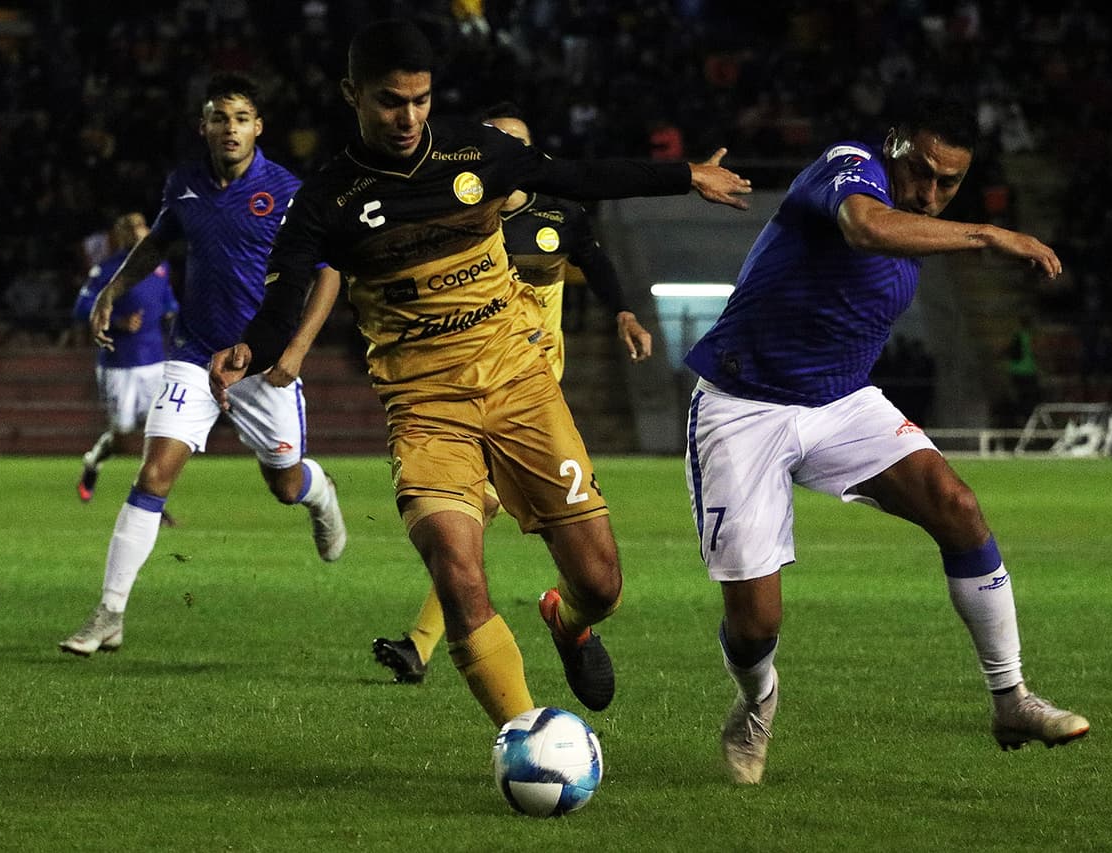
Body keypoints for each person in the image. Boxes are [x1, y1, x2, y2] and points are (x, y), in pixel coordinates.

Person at [210, 19, 751, 727]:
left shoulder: (476, 152)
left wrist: (686, 176)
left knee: (602, 582)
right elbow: (284, 293)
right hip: (425, 404)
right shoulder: (328, 199)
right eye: (388, 102)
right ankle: (525, 736)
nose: (407, 118)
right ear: (353, 95)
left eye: (420, 100)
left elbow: (577, 174)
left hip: (520, 383)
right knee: (459, 573)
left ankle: (566, 618)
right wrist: (250, 347)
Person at [682, 96, 1089, 785]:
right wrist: (990, 235)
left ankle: (1011, 697)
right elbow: (865, 228)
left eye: (949, 183)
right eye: (922, 172)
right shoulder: (848, 166)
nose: (930, 193)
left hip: (841, 403)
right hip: (743, 406)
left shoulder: (918, 227)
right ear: (895, 145)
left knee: (956, 505)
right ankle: (755, 701)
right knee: (755, 623)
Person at [60, 73, 347, 657]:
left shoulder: (286, 190)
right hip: (193, 353)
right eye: (220, 117)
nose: (230, 128)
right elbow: (158, 242)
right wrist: (114, 291)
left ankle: (320, 493)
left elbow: (329, 272)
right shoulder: (185, 184)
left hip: (262, 362)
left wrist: (293, 352)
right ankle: (110, 613)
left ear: (258, 127)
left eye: (241, 117)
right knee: (153, 476)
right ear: (205, 127)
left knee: (284, 485)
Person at [370, 103, 655, 685]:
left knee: (554, 550)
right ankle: (423, 646)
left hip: (529, 385)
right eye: (492, 137)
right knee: (469, 514)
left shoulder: (560, 214)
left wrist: (624, 312)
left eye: (513, 141)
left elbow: (595, 262)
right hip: (459, 386)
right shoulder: (459, 216)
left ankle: (563, 616)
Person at [72, 212, 179, 519]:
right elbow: (81, 309)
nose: (136, 231)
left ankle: (151, 500)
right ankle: (93, 461)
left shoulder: (160, 266)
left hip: (154, 362)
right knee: (122, 436)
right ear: (118, 236)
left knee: (158, 432)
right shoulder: (106, 270)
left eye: (140, 225)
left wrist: (176, 317)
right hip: (119, 364)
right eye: (128, 227)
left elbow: (169, 303)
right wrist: (117, 322)